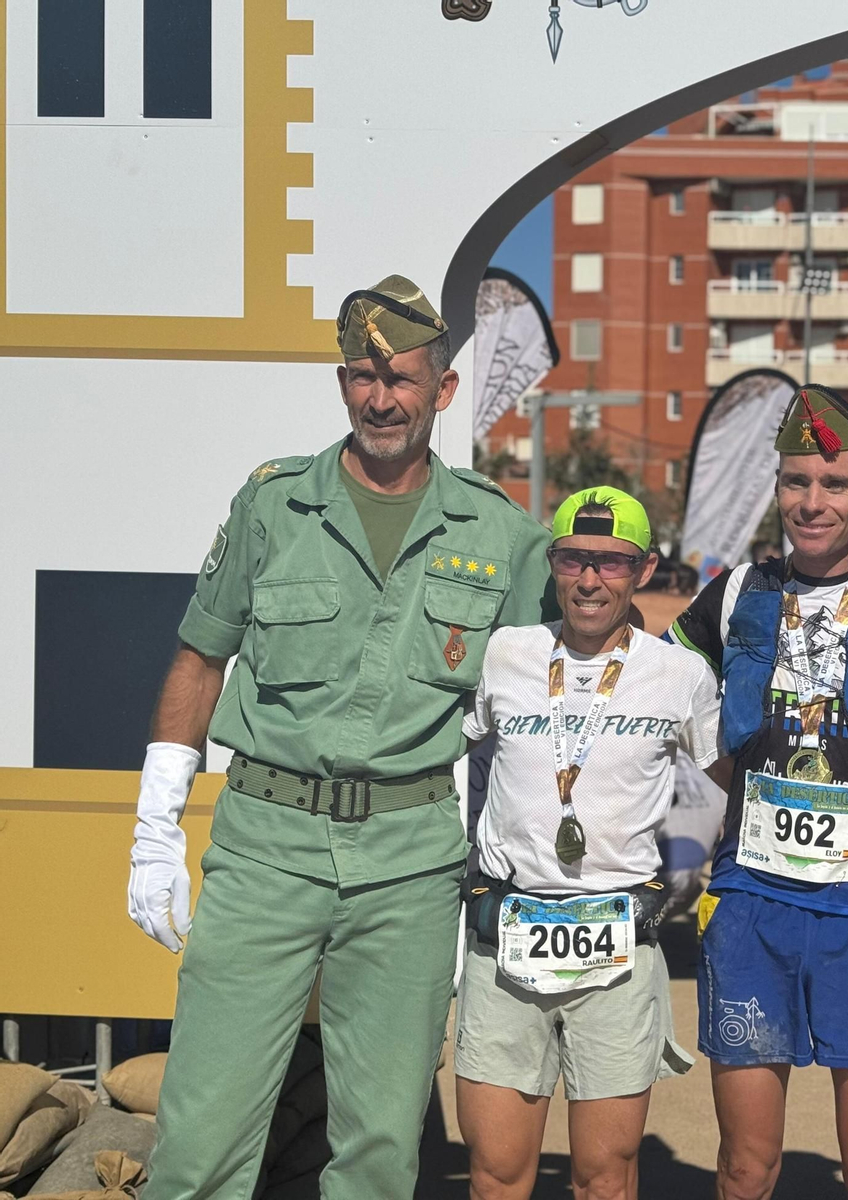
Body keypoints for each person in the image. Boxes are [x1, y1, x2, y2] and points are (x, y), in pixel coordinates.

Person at [127, 277, 553, 1198]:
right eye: (363, 376)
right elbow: (201, 662)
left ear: (441, 390)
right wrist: (156, 825)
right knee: (199, 1146)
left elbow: (536, 712)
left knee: (378, 1158)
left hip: (409, 864)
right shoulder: (273, 506)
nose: (381, 398)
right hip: (264, 847)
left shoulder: (503, 534)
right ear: (341, 381)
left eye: (401, 378)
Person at [667, 385, 848, 1200]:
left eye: (832, 484)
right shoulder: (730, 596)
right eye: (796, 482)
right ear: (777, 486)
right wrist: (730, 783)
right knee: (746, 1168)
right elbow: (661, 686)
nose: (812, 502)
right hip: (751, 904)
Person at [455, 487, 717, 1200]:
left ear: (643, 569)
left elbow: (716, 784)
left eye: (611, 561)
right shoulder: (506, 654)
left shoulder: (680, 674)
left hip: (616, 948)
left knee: (605, 1178)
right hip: (506, 941)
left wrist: (676, 885)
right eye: (574, 559)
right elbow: (441, 753)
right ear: (553, 563)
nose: (591, 579)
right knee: (497, 1175)